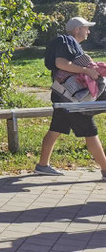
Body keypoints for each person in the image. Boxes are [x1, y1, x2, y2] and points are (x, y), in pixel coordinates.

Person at [36, 17, 106, 177]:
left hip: (63, 96)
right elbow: (61, 63)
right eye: (86, 28)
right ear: (76, 29)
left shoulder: (69, 43)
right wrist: (87, 70)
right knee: (90, 131)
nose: (88, 31)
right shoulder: (66, 41)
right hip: (72, 99)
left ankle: (42, 164)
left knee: (55, 129)